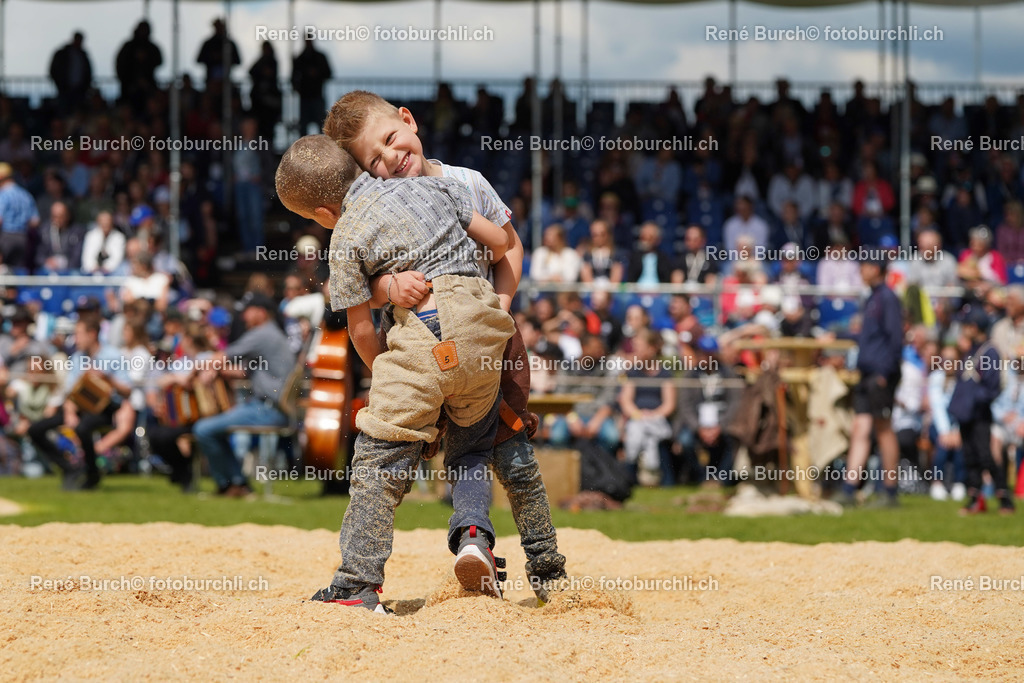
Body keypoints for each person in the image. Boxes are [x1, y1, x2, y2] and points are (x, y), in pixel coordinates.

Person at [324, 90, 568, 601]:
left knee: (500, 439)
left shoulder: (465, 182)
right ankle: (492, 547)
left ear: (409, 122)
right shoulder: (382, 201)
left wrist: (499, 303)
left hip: (485, 329)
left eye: (392, 140)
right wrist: (390, 288)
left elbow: (510, 245)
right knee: (480, 446)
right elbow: (359, 284)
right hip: (436, 341)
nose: (391, 158)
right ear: (366, 172)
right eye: (375, 159)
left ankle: (370, 574)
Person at [275, 134, 516, 612]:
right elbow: (499, 241)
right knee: (471, 444)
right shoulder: (431, 186)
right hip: (485, 328)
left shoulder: (343, 237)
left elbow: (362, 330)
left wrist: (388, 372)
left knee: (376, 462)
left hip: (422, 334)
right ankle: (474, 537)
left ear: (323, 214)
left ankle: (356, 585)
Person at [191, 293, 295, 498]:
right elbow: (243, 371)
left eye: (247, 312)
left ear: (260, 313)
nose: (243, 317)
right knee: (212, 430)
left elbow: (223, 356)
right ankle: (236, 484)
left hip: (266, 411)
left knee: (203, 429)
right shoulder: (272, 335)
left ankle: (228, 484)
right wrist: (218, 370)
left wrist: (195, 370)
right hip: (269, 409)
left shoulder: (262, 334)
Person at [27, 318, 132, 490]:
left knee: (83, 428)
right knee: (35, 429)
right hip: (78, 407)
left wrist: (107, 378)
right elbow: (69, 392)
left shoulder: (113, 356)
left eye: (79, 334)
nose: (76, 339)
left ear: (92, 334)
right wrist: (69, 412)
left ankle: (92, 474)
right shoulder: (77, 358)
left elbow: (127, 391)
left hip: (105, 409)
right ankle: (69, 468)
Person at [836, 253, 904, 507]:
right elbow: (870, 338)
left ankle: (890, 491)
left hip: (880, 374)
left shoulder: (887, 298)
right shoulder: (872, 298)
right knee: (860, 429)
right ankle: (849, 488)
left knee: (884, 430)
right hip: (867, 373)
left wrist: (885, 373)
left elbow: (895, 339)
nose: (861, 270)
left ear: (877, 269)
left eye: (865, 265)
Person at [952, 309, 1015, 514]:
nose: (963, 329)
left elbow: (992, 387)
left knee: (985, 456)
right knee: (969, 457)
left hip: (979, 414)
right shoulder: (971, 350)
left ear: (975, 327)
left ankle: (1004, 498)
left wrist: (973, 400)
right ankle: (974, 499)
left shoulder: (990, 352)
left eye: (967, 325)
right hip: (966, 414)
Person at [618, 328, 676, 486]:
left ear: (652, 349)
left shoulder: (665, 374)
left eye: (639, 347)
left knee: (656, 435)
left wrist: (653, 415)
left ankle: (665, 479)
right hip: (637, 418)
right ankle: (630, 479)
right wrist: (638, 415)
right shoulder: (632, 373)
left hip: (658, 419)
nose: (635, 351)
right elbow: (626, 400)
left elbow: (669, 403)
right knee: (635, 434)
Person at [927, 344, 967, 501]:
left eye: (952, 359)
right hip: (939, 424)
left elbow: (963, 408)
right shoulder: (935, 378)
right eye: (944, 359)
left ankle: (959, 482)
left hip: (958, 424)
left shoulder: (963, 379)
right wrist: (945, 432)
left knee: (959, 445)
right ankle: (937, 483)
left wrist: (956, 431)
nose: (948, 363)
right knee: (942, 445)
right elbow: (938, 408)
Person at [0, 162, 40, 269]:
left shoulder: (3, 195)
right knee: (19, 271)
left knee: (4, 272)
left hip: (6, 237)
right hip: (24, 237)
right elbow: (35, 221)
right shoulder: (26, 194)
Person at [115, 21, 162, 109]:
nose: (143, 32)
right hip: (129, 86)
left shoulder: (151, 47)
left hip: (147, 85)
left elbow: (159, 61)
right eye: (142, 30)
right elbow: (120, 65)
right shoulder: (128, 47)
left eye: (145, 30)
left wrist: (147, 59)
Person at [291, 39, 333, 134]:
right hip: (305, 97)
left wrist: (317, 73)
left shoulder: (319, 57)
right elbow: (294, 77)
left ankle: (321, 146)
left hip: (316, 95)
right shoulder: (300, 58)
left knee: (320, 124)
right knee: (304, 125)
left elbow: (328, 73)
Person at [49, 32, 93, 114]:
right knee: (64, 112)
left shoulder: (82, 55)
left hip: (79, 90)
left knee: (77, 112)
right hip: (65, 89)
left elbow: (88, 73)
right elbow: (53, 70)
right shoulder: (62, 54)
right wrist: (60, 84)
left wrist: (85, 87)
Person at [35, 201, 85, 273]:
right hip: (48, 268)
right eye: (54, 216)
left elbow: (77, 257)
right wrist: (47, 262)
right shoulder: (44, 231)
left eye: (60, 216)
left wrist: (62, 264)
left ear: (68, 216)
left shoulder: (77, 232)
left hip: (69, 269)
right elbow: (38, 255)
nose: (57, 220)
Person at [196, 18, 240, 87]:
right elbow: (199, 59)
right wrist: (212, 58)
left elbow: (237, 61)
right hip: (211, 81)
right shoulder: (208, 43)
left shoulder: (229, 43)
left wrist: (225, 58)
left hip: (226, 81)